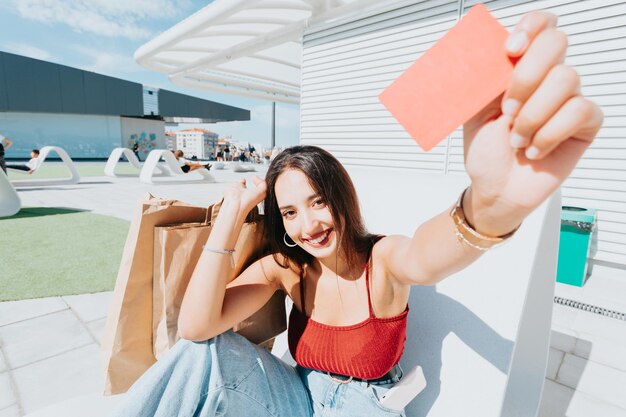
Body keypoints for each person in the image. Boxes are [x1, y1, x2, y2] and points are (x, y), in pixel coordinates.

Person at [112, 12, 603, 417]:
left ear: (340, 198)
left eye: (318, 201)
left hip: (365, 407)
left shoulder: (383, 261)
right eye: (289, 211)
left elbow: (430, 256)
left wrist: (488, 208)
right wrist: (230, 217)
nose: (308, 225)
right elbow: (199, 329)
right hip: (297, 396)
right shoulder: (288, 268)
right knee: (203, 356)